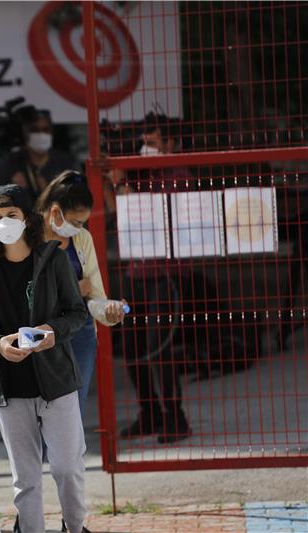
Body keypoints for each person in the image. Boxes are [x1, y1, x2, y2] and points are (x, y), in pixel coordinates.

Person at [0, 184, 90, 533]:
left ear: (27, 220)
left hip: (57, 379)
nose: (4, 221)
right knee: (26, 478)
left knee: (67, 467)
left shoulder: (53, 258)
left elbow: (77, 313)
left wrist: (52, 332)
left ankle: (75, 526)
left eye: (12, 215)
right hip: (10, 386)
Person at [117, 114, 193, 443]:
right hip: (137, 272)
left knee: (160, 347)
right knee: (132, 346)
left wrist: (123, 184)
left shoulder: (178, 176)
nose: (146, 148)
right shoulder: (140, 173)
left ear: (172, 143)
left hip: (167, 274)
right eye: (144, 142)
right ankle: (149, 413)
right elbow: (119, 213)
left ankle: (175, 416)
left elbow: (151, 214)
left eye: (154, 142)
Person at [37, 171, 127, 417]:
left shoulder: (82, 238)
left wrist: (110, 311)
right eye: (76, 222)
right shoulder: (28, 237)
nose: (79, 228)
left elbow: (94, 295)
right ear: (55, 212)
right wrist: (75, 290)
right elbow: (27, 293)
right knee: (39, 410)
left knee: (72, 412)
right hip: (38, 331)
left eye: (82, 223)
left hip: (80, 333)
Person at [0, 107, 77, 201]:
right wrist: (10, 191)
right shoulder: (9, 163)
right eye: (35, 130)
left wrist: (49, 191)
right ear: (25, 133)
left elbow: (76, 200)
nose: (41, 134)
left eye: (45, 129)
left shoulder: (65, 162)